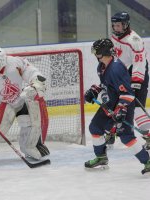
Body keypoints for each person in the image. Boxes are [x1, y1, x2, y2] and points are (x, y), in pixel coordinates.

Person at [0, 47, 50, 165]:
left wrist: (36, 83)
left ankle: (31, 147)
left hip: (18, 99)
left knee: (31, 122)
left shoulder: (15, 63)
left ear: (2, 61)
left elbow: (31, 72)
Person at [84, 38, 150, 174]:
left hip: (124, 105)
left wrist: (121, 110)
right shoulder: (102, 66)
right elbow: (105, 85)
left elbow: (128, 93)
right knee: (95, 128)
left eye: (96, 52)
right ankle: (101, 157)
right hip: (110, 104)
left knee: (126, 136)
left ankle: (147, 161)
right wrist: (94, 91)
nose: (95, 55)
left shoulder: (116, 68)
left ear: (103, 52)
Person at [108, 11, 150, 149]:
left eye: (118, 25)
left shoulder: (134, 40)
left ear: (126, 25)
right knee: (115, 104)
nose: (115, 28)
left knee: (137, 108)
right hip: (122, 75)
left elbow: (140, 62)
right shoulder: (114, 37)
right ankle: (112, 131)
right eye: (114, 25)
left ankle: (149, 135)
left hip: (137, 76)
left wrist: (136, 82)